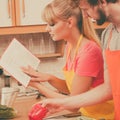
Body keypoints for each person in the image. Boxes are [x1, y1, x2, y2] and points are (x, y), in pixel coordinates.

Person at [22, 0, 114, 119]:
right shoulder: (70, 47)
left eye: (51, 24)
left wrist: (38, 86)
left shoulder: (89, 52)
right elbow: (77, 89)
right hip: (88, 115)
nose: (47, 29)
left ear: (70, 22)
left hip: (105, 117)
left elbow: (73, 105)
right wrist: (49, 78)